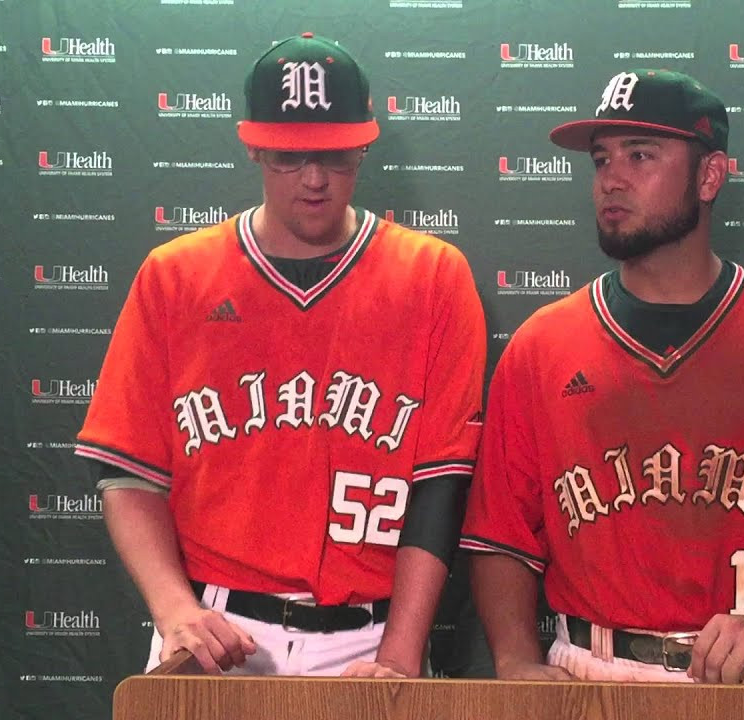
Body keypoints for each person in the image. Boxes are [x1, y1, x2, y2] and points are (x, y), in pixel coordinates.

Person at [460, 69, 744, 686]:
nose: (612, 178)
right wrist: (513, 659)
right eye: (600, 160)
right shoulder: (541, 345)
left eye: (641, 155)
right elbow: (502, 536)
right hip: (591, 672)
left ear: (710, 175)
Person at [75, 32, 485, 677]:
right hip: (216, 633)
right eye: (291, 157)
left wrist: (401, 659)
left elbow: (439, 486)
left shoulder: (433, 276)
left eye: (337, 155)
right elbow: (129, 475)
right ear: (254, 144)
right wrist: (173, 609)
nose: (316, 180)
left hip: (371, 637)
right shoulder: (175, 276)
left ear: (365, 143)